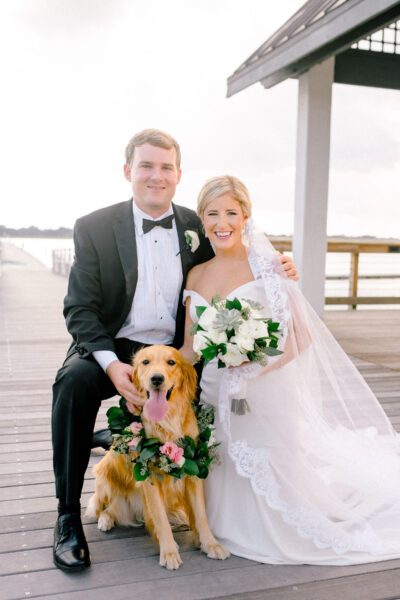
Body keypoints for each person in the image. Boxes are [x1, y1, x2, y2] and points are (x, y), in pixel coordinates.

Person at [52, 129, 298, 572]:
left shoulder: (194, 224)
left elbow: (233, 254)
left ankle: (155, 454)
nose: (156, 176)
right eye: (146, 165)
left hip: (180, 348)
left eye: (166, 167)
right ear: (129, 171)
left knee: (211, 401)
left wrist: (277, 265)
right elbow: (79, 308)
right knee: (73, 382)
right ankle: (69, 513)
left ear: (178, 175)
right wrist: (111, 367)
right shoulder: (93, 227)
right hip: (115, 341)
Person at [180, 174, 400, 566]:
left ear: (245, 216)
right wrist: (151, 377)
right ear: (202, 218)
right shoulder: (196, 275)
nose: (222, 222)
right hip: (215, 395)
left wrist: (252, 368)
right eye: (212, 213)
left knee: (271, 470)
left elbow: (302, 335)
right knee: (220, 458)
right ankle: (217, 524)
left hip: (264, 393)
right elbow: (189, 347)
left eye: (231, 212)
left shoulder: (270, 266)